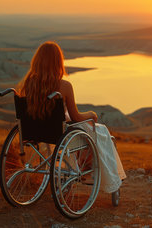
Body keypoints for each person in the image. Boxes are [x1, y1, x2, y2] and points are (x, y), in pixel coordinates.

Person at [18, 41, 126, 193]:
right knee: (99, 130)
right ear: (58, 62)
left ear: (37, 61)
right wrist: (91, 115)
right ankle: (91, 170)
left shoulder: (29, 83)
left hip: (36, 131)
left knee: (82, 129)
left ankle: (84, 166)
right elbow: (76, 116)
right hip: (58, 133)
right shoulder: (64, 86)